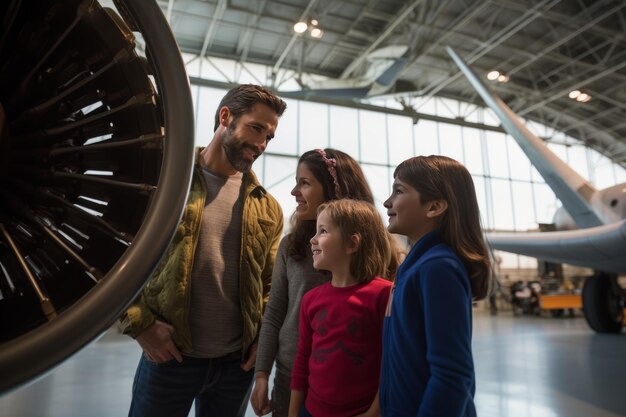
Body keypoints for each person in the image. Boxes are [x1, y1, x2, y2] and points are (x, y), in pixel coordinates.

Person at [119, 84, 287, 417]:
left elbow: (271, 287)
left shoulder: (267, 207)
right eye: (256, 128)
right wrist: (139, 324)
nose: (261, 143)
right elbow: (116, 258)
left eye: (269, 137)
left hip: (235, 367)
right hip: (169, 358)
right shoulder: (164, 182)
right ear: (226, 117)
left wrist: (260, 343)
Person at [251, 148, 382, 417]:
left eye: (305, 183)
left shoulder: (376, 253)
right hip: (291, 375)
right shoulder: (291, 246)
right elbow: (275, 311)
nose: (294, 191)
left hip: (351, 382)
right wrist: (262, 374)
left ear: (334, 187)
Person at [380, 155, 492, 417]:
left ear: (434, 207)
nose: (387, 202)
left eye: (399, 191)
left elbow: (452, 375)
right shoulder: (413, 266)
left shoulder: (438, 268)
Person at [289, 199, 394, 417]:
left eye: (323, 231)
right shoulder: (311, 300)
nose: (313, 239)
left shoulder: (385, 295)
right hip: (311, 411)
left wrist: (374, 413)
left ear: (352, 244)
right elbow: (302, 360)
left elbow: (391, 362)